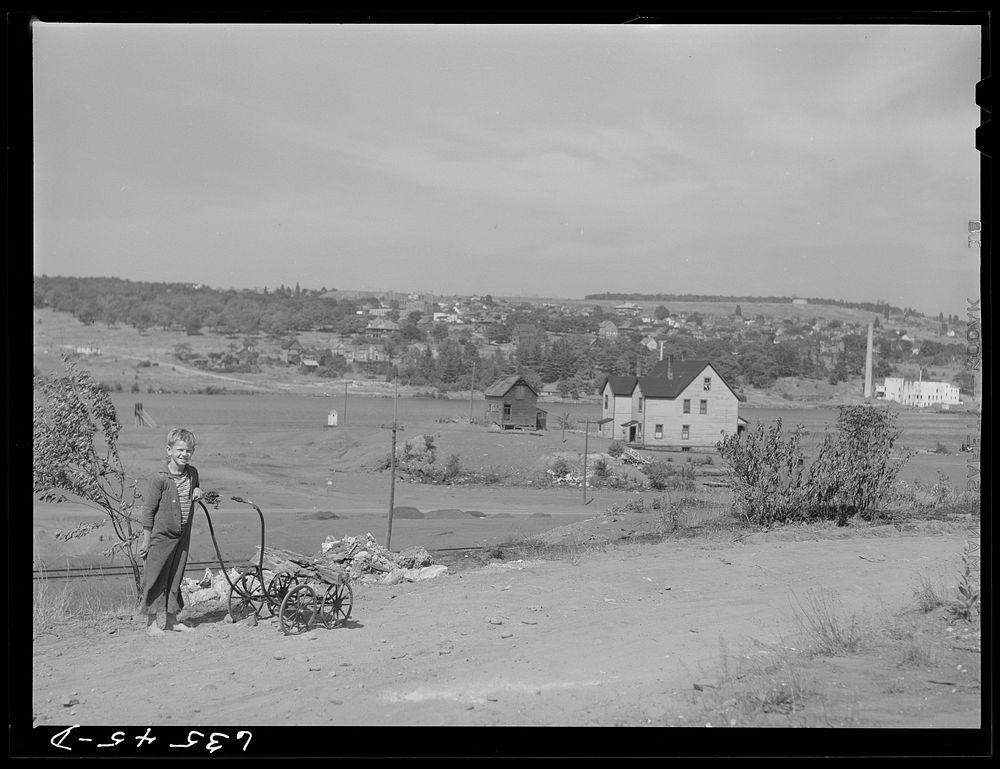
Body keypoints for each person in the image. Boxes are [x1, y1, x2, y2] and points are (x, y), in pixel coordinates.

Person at [139, 427, 204, 635]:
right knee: (155, 576)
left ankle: (172, 620)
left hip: (182, 534)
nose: (184, 454)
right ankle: (151, 624)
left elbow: (196, 488)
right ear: (169, 450)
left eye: (188, 451)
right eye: (180, 450)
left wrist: (197, 490)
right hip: (161, 536)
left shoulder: (192, 473)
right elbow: (148, 510)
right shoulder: (159, 478)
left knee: (176, 576)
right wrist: (146, 540)